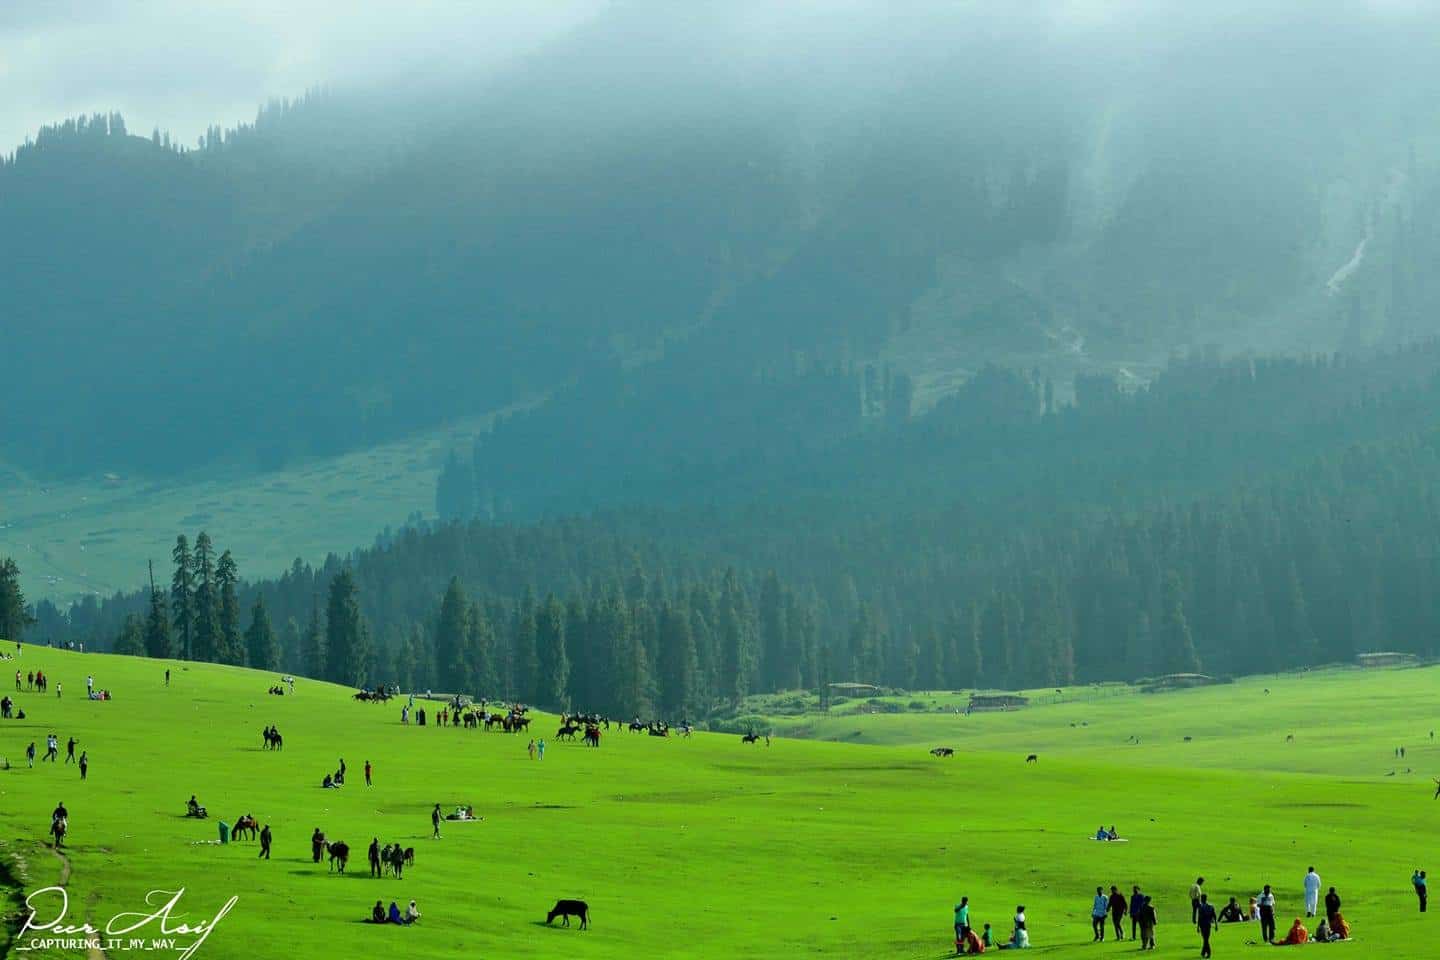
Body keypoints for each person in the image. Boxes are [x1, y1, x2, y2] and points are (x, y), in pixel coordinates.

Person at [1196, 893, 1217, 958]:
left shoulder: (1201, 907)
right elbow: (1214, 916)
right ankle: (1203, 952)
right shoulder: (1211, 906)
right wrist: (1216, 925)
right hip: (1208, 925)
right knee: (1206, 939)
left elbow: (1199, 917)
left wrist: (1197, 927)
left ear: (1202, 899)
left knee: (1205, 939)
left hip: (1203, 925)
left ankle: (1208, 953)